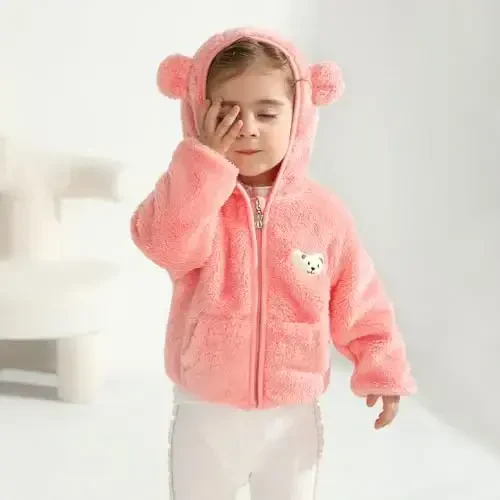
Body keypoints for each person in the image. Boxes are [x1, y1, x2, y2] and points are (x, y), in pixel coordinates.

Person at [130, 26, 417, 500]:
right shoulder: (194, 198)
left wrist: (381, 366)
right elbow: (163, 244)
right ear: (198, 112)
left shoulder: (322, 214)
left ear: (298, 116)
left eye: (266, 113)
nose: (247, 127)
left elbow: (360, 298)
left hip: (291, 418)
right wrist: (202, 164)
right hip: (205, 411)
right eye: (226, 112)